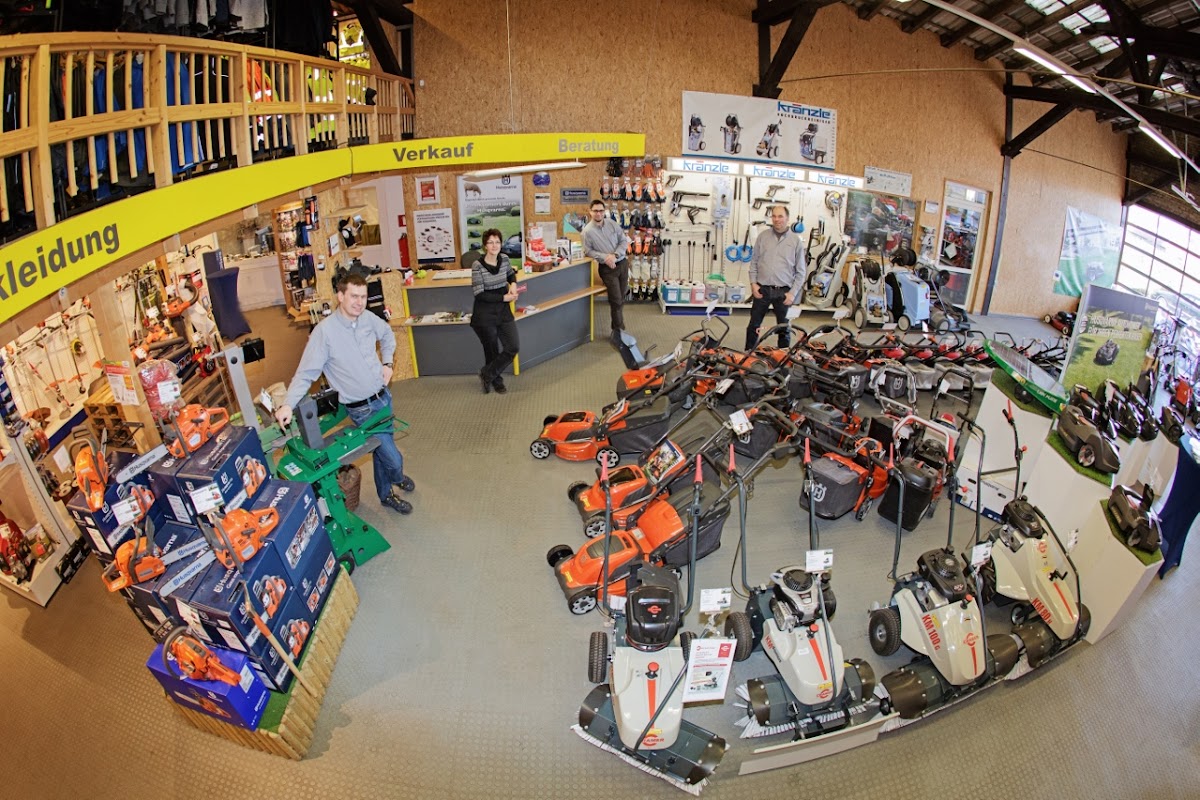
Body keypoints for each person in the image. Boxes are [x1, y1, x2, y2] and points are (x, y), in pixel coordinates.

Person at [275, 273, 415, 515]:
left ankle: (386, 495)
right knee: (393, 458)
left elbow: (387, 335)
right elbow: (305, 373)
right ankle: (397, 476)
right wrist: (288, 404)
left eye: (363, 297)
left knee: (382, 449)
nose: (359, 303)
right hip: (362, 410)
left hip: (383, 398)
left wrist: (388, 363)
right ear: (340, 296)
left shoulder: (368, 318)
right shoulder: (324, 333)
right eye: (354, 296)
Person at [745, 204, 805, 351]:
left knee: (784, 328)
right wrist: (753, 284)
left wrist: (792, 293)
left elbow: (801, 271)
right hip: (762, 290)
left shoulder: (795, 241)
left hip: (784, 292)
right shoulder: (763, 237)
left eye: (780, 216)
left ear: (787, 218)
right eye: (774, 216)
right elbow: (754, 262)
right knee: (753, 325)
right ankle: (748, 355)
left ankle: (783, 355)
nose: (777, 219)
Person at [471, 228, 520, 394]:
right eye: (490, 242)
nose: (494, 245)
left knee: (513, 346)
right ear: (485, 245)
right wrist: (504, 298)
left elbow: (511, 275)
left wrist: (513, 285)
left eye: (497, 242)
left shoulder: (504, 259)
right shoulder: (477, 265)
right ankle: (496, 380)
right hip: (485, 312)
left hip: (503, 310)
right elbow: (479, 293)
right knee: (491, 350)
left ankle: (487, 374)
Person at [581, 198, 631, 342]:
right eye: (595, 211)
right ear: (590, 212)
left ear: (604, 211)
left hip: (622, 264)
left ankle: (616, 328)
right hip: (607, 269)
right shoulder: (587, 232)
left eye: (601, 211)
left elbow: (623, 240)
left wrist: (615, 255)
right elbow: (588, 251)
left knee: (621, 298)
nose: (598, 213)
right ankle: (619, 332)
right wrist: (605, 258)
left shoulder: (612, 224)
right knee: (616, 300)